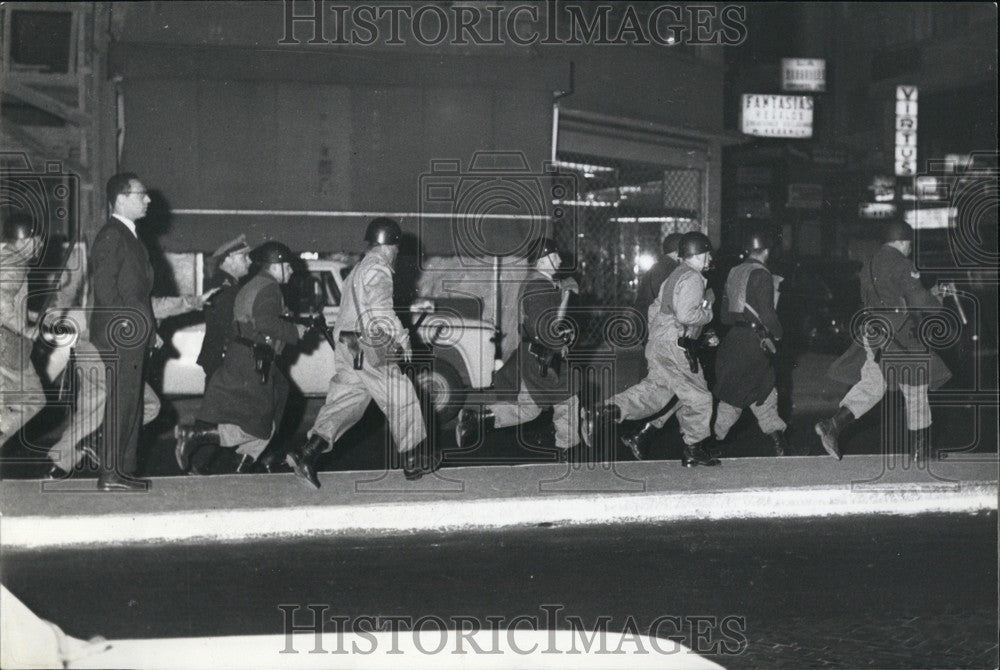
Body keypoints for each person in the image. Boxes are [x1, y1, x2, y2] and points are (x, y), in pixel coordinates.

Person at [286, 218, 434, 488]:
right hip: (369, 345)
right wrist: (403, 339)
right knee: (402, 396)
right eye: (397, 249)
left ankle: (306, 454)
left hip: (348, 345)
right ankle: (413, 463)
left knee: (347, 403)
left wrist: (346, 345)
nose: (397, 255)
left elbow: (347, 314)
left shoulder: (357, 270)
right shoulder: (378, 269)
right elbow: (380, 312)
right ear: (390, 246)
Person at [45, 290, 217, 479]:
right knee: (149, 405)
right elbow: (157, 305)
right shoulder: (129, 277)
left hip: (87, 352)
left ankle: (58, 464)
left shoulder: (104, 280)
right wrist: (195, 301)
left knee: (90, 414)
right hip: (109, 357)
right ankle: (98, 440)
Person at [818, 221, 950, 461]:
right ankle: (921, 449)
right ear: (902, 241)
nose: (910, 248)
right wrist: (937, 300)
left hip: (873, 334)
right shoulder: (902, 264)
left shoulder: (868, 265)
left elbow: (881, 298)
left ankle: (833, 424)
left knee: (873, 385)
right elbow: (918, 299)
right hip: (899, 336)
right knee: (916, 386)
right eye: (909, 244)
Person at [587, 231, 719, 467]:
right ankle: (693, 449)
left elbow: (655, 310)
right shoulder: (693, 278)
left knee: (655, 392)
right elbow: (687, 314)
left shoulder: (675, 275)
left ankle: (609, 410)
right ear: (697, 254)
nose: (709, 259)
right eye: (706, 254)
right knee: (700, 397)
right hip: (675, 345)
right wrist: (707, 315)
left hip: (658, 342)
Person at [176, 241, 305, 474]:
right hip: (249, 359)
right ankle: (198, 440)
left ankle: (243, 464)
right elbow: (263, 323)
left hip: (246, 356)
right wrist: (294, 331)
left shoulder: (253, 284)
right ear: (276, 266)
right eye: (288, 266)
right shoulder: (267, 287)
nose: (293, 270)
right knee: (256, 424)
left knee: (263, 416)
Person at [455, 236, 582, 461]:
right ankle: (567, 450)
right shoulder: (538, 286)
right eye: (555, 256)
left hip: (534, 356)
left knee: (529, 408)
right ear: (543, 260)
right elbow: (548, 328)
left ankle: (478, 418)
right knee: (567, 397)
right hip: (542, 358)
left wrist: (563, 289)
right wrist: (566, 299)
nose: (560, 260)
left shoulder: (536, 281)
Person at [89, 173, 156, 491]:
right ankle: (110, 474)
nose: (148, 199)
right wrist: (127, 325)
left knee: (131, 402)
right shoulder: (113, 235)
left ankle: (123, 470)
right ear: (121, 198)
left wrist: (150, 328)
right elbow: (104, 288)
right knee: (123, 401)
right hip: (121, 334)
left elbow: (137, 293)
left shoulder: (129, 237)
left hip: (132, 331)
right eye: (141, 194)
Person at [174, 235, 252, 475]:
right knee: (220, 414)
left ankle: (201, 460)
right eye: (244, 256)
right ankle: (196, 460)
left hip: (222, 359)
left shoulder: (228, 285)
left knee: (222, 413)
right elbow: (230, 328)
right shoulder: (225, 288)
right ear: (228, 259)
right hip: (224, 359)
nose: (249, 262)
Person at [713, 231, 789, 456]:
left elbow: (725, 316)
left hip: (734, 339)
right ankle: (710, 442)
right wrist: (778, 334)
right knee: (742, 395)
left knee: (761, 390)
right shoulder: (762, 274)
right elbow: (767, 314)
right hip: (755, 342)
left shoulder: (734, 271)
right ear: (766, 250)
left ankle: (780, 444)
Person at [0, 213, 44, 449]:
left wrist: (33, 317)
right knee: (34, 399)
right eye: (36, 240)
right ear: (24, 239)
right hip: (7, 344)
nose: (38, 246)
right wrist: (24, 328)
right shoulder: (15, 263)